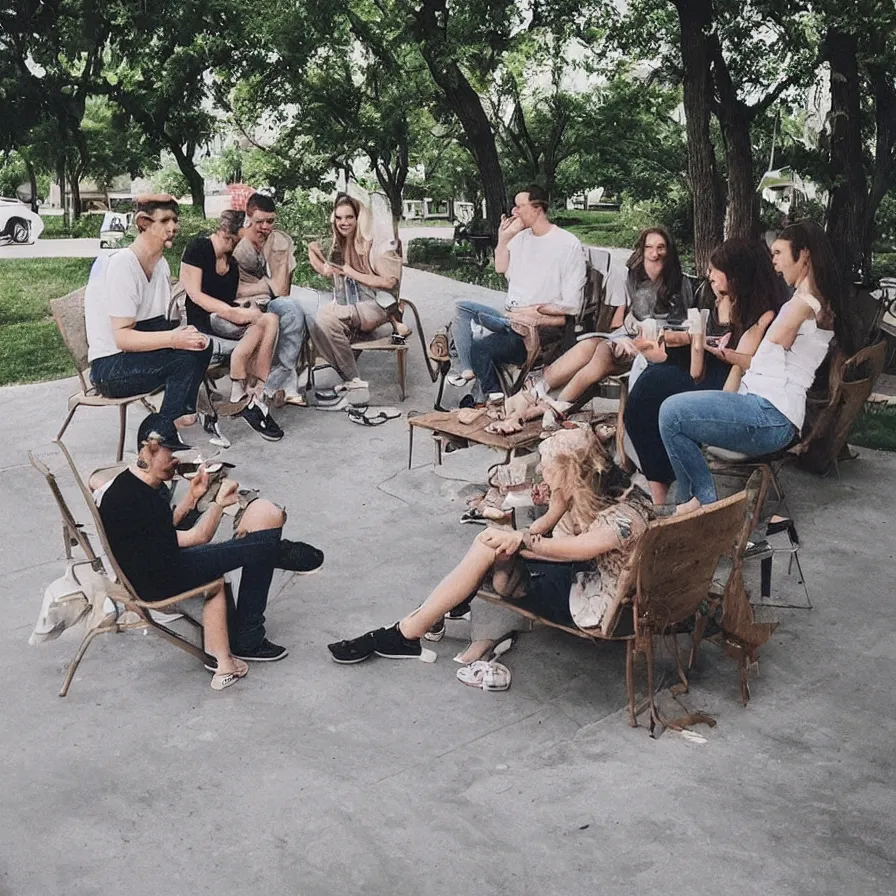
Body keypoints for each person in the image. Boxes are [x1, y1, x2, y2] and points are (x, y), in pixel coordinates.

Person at [327, 428, 650, 669]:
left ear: (570, 473)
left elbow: (576, 549)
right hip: (592, 578)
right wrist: (550, 513)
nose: (543, 473)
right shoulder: (612, 493)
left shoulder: (620, 519)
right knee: (492, 546)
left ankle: (409, 630)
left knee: (488, 547)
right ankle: (416, 625)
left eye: (549, 468)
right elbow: (554, 535)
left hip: (595, 604)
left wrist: (522, 539)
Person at [98, 413, 326, 674]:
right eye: (170, 454)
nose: (174, 462)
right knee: (258, 548)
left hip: (153, 567)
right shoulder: (141, 499)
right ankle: (270, 562)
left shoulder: (127, 487)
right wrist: (218, 502)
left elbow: (160, 530)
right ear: (149, 448)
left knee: (248, 548)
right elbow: (197, 538)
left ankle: (267, 553)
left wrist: (193, 498)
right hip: (163, 578)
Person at [658, 220, 852, 514]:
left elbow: (769, 347)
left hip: (771, 414)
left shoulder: (803, 304)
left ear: (804, 255)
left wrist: (749, 330)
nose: (774, 261)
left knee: (671, 413)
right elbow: (764, 355)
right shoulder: (808, 302)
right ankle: (689, 505)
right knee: (673, 416)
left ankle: (703, 508)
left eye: (779, 253)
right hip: (766, 408)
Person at [624, 238, 782, 504]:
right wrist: (692, 339)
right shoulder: (715, 296)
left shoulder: (760, 312)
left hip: (729, 377)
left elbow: (740, 365)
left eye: (716, 271)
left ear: (736, 274)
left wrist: (702, 346)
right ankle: (657, 482)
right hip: (709, 365)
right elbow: (699, 350)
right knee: (648, 385)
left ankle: (662, 489)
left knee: (650, 391)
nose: (711, 276)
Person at [495, 227, 694, 433]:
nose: (654, 253)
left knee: (604, 351)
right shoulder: (636, 276)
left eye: (660, 248)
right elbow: (627, 317)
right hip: (629, 336)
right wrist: (628, 330)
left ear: (668, 251)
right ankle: (532, 394)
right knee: (588, 345)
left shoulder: (680, 283)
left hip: (659, 347)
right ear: (642, 250)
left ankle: (555, 407)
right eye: (649, 247)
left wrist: (640, 339)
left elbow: (681, 328)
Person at [85, 194, 212, 444]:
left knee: (200, 345)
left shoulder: (161, 265)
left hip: (133, 355)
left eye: (175, 220)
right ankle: (158, 433)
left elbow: (157, 322)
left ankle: (176, 414)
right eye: (164, 220)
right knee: (183, 360)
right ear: (143, 222)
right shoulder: (123, 265)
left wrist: (187, 334)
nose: (173, 227)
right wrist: (174, 339)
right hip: (109, 368)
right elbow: (122, 337)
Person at [450, 186, 586, 399]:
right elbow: (500, 268)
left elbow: (571, 306)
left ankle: (494, 399)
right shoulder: (521, 239)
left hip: (534, 329)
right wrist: (504, 237)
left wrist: (532, 311)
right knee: (462, 308)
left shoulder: (567, 244)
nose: (515, 211)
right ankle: (470, 367)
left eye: (520, 206)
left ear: (537, 208)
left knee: (480, 347)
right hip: (510, 316)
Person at [180, 210, 284, 441]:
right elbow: (195, 294)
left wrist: (247, 309)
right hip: (204, 321)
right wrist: (234, 313)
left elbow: (231, 297)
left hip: (226, 321)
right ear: (231, 235)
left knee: (269, 319)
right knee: (263, 321)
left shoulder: (232, 263)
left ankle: (250, 389)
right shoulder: (199, 248)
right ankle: (251, 389)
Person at [301, 192, 404, 391]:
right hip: (354, 305)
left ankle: (351, 378)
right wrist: (324, 269)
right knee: (315, 323)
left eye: (349, 217)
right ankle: (350, 377)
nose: (344, 222)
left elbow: (390, 282)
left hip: (380, 305)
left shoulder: (372, 242)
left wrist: (351, 272)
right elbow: (311, 247)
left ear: (358, 218)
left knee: (324, 318)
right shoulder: (340, 241)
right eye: (339, 218)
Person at [232, 192, 309, 408]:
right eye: (260, 221)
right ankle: (278, 385)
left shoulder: (277, 240)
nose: (266, 227)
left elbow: (282, 290)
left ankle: (276, 381)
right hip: (238, 305)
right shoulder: (236, 242)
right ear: (248, 219)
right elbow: (225, 288)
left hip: (269, 302)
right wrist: (265, 286)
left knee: (294, 309)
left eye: (270, 221)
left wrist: (281, 255)